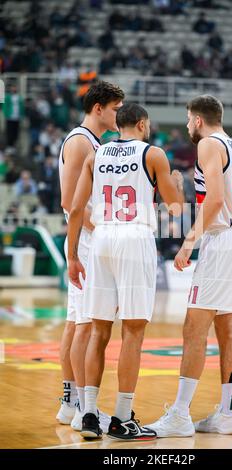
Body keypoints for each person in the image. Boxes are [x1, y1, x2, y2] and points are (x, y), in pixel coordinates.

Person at [67, 103, 184, 440]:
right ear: (143, 124)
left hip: (101, 238)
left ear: (118, 125)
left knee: (98, 331)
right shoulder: (153, 154)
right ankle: (120, 418)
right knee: (133, 331)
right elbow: (175, 208)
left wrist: (74, 255)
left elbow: (76, 209)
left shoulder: (96, 154)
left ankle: (89, 414)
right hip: (134, 237)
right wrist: (175, 180)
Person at [146, 95, 232, 437]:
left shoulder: (209, 144)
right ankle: (226, 414)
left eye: (187, 120)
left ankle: (180, 414)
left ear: (197, 120)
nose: (186, 126)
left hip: (222, 240)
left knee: (194, 329)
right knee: (229, 331)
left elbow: (212, 200)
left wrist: (190, 241)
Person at [56, 81, 124, 432]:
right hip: (85, 240)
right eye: (115, 108)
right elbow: (70, 202)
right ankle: (85, 408)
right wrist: (106, 232)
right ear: (98, 108)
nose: (118, 115)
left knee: (75, 323)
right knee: (86, 325)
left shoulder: (94, 142)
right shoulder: (81, 141)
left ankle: (70, 403)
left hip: (87, 238)